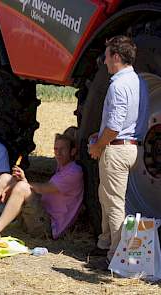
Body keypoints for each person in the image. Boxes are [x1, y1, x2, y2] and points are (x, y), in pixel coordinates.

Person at [0, 133, 84, 238]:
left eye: (62, 149)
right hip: (37, 216)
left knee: (22, 187)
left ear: (72, 151)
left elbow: (43, 188)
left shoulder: (74, 172)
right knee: (6, 177)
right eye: (55, 149)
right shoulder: (63, 168)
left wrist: (22, 182)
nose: (58, 153)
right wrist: (17, 182)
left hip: (47, 227)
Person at [88, 36, 149, 264]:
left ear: (116, 57)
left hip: (116, 149)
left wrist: (97, 146)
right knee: (107, 197)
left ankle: (115, 255)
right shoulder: (139, 81)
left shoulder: (118, 85)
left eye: (106, 57)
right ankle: (105, 243)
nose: (104, 62)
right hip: (130, 147)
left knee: (113, 203)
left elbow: (114, 127)